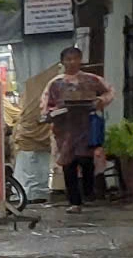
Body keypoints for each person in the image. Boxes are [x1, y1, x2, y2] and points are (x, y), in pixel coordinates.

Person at [41, 48, 112, 210]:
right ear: (63, 62)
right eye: (68, 59)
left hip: (87, 127)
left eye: (75, 59)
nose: (72, 62)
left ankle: (88, 192)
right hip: (64, 130)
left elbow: (109, 92)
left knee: (86, 160)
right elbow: (46, 104)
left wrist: (100, 101)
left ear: (81, 60)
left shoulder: (92, 79)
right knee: (68, 164)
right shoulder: (55, 83)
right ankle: (74, 201)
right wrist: (51, 113)